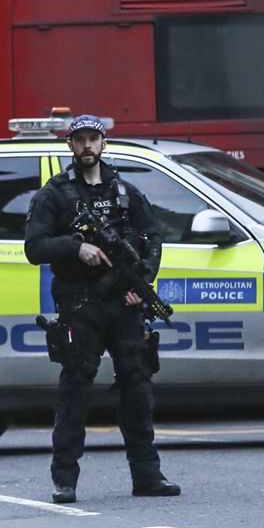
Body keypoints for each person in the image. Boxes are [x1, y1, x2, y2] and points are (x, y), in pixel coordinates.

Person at [24, 114, 180, 504]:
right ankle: (65, 481)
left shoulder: (127, 192)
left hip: (124, 306)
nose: (87, 146)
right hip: (81, 305)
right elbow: (34, 247)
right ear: (71, 146)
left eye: (94, 138)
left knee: (138, 389)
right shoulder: (54, 194)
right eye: (80, 140)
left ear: (104, 143)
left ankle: (147, 476)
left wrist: (141, 286)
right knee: (76, 389)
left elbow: (153, 239)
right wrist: (75, 247)